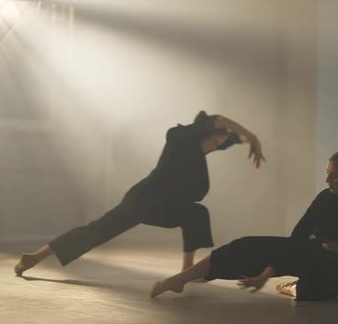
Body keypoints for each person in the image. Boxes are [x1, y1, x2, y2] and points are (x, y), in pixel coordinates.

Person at [14, 111, 266, 276]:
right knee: (194, 214)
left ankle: (34, 257)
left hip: (148, 202)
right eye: (216, 142)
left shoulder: (200, 147)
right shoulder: (181, 137)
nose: (217, 148)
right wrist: (252, 135)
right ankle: (186, 272)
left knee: (97, 230)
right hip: (150, 202)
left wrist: (250, 142)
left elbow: (232, 137)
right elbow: (220, 120)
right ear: (206, 133)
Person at [150, 148, 338, 301]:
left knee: (309, 293)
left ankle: (289, 287)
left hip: (334, 272)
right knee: (246, 246)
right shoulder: (325, 198)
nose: (327, 180)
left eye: (334, 175)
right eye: (327, 173)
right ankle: (180, 278)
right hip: (311, 252)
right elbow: (298, 237)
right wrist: (266, 274)